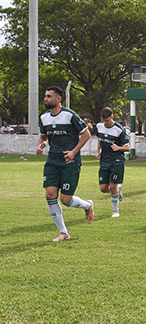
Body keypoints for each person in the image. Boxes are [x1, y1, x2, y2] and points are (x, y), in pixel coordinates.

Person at [36, 86, 94, 242]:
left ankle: (87, 205)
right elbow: (44, 136)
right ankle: (64, 232)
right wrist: (41, 145)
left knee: (66, 200)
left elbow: (86, 134)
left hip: (70, 162)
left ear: (58, 99)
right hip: (53, 161)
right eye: (45, 96)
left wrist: (73, 152)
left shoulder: (70, 115)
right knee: (50, 195)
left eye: (49, 96)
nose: (45, 99)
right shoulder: (44, 117)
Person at [95, 107, 129, 218]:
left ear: (112, 117)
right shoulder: (99, 126)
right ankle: (117, 190)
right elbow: (100, 139)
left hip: (117, 160)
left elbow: (127, 148)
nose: (106, 123)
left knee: (112, 186)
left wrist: (118, 148)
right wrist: (98, 151)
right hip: (104, 160)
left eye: (108, 120)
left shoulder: (119, 130)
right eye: (104, 120)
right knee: (103, 189)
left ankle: (115, 211)